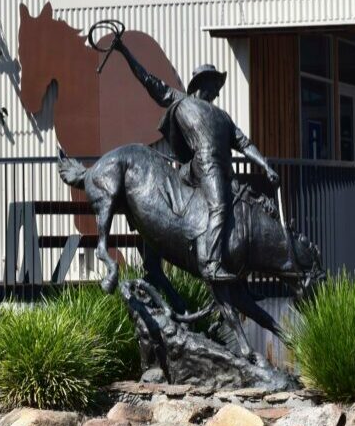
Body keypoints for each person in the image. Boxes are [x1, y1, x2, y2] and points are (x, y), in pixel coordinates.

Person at [112, 37, 279, 281]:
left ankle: (238, 271)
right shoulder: (182, 101)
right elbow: (150, 82)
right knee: (220, 209)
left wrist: (266, 166)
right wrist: (124, 51)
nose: (217, 91)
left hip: (224, 173)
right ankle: (211, 263)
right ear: (205, 84)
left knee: (245, 211)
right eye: (215, 85)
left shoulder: (223, 117)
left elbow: (244, 143)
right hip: (204, 169)